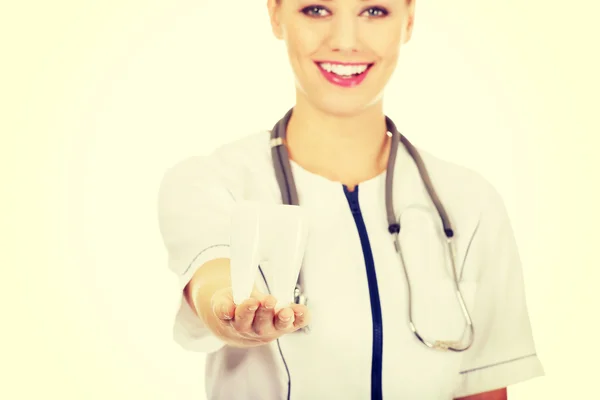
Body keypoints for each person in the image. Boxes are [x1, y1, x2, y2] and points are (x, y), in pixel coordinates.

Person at [157, 0, 544, 399]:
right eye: (316, 9)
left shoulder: (469, 202)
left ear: (409, 19)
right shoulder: (211, 182)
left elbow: (483, 388)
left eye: (374, 11)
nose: (345, 41)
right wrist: (230, 311)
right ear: (275, 13)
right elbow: (211, 277)